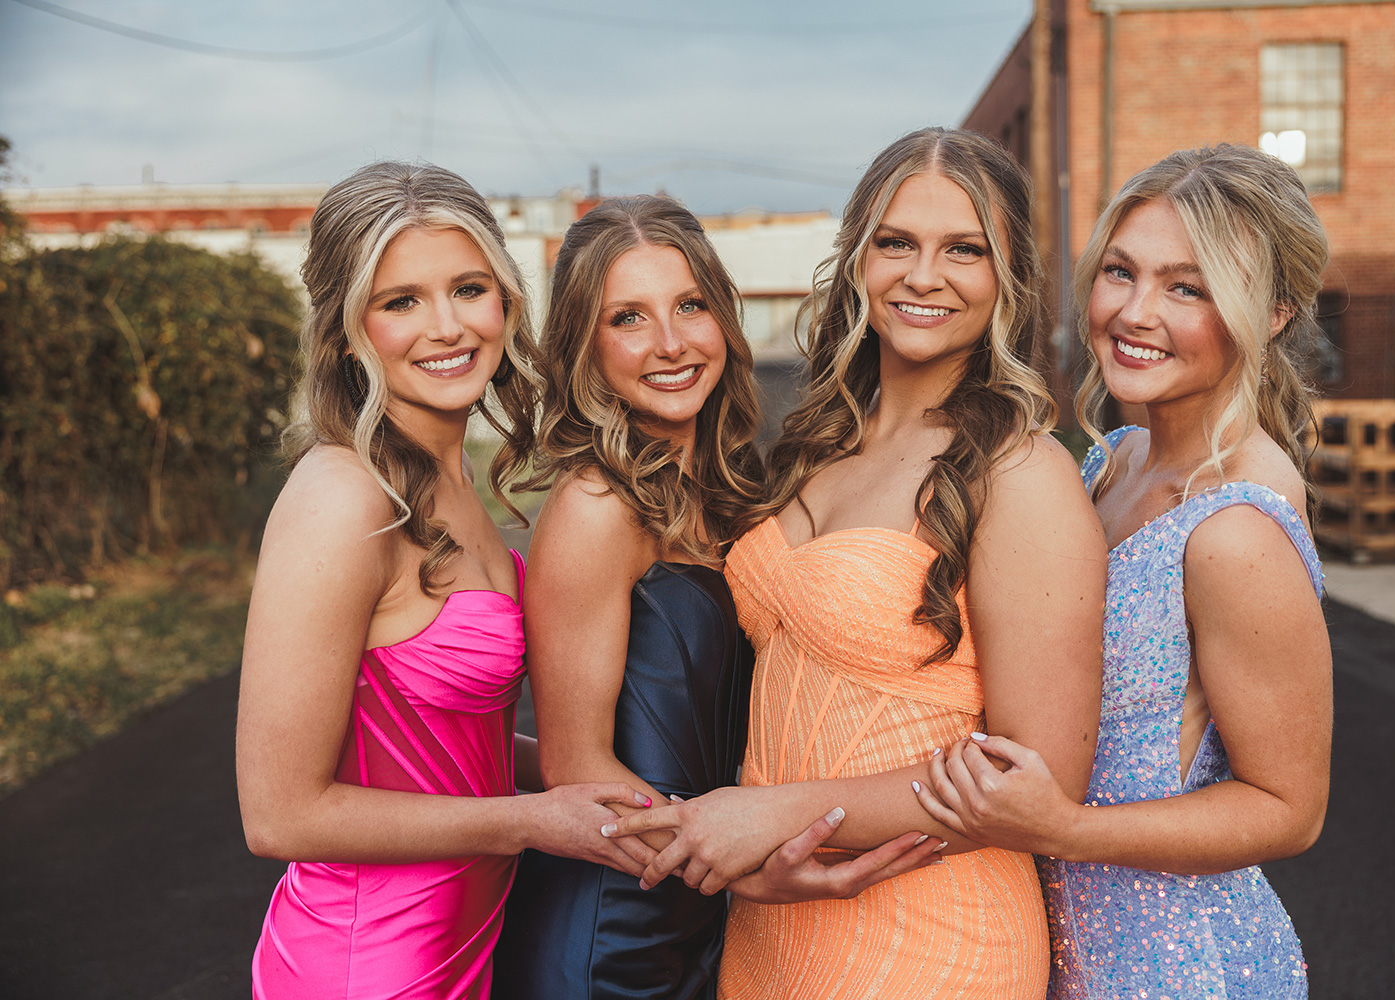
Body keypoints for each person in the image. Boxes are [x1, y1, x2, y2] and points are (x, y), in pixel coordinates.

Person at [605, 128, 1108, 1000]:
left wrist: (779, 812)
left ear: (1008, 277)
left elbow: (1036, 777)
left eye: (964, 250)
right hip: (771, 916)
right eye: (896, 243)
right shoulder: (816, 443)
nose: (924, 276)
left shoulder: (1021, 473)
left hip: (931, 937)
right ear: (857, 259)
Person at [492, 195, 942, 999]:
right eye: (628, 318)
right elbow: (575, 766)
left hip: (697, 913)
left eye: (691, 306)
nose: (670, 343)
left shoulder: (731, 490)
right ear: (585, 347)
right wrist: (738, 865)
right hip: (610, 926)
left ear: (723, 320)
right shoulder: (596, 507)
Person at [914, 144, 1334, 999]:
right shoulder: (1114, 460)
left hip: (1178, 968)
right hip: (1060, 949)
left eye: (1188, 288)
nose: (1135, 313)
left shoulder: (1235, 530)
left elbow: (1289, 811)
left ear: (1274, 312)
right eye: (1121, 271)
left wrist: (1064, 829)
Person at [236, 162, 655, 1000]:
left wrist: (602, 788)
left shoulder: (448, 477)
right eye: (401, 301)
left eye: (468, 288)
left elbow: (443, 748)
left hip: (462, 946)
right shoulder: (342, 499)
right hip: (367, 963)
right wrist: (531, 820)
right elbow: (280, 814)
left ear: (505, 298)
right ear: (347, 329)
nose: (447, 326)